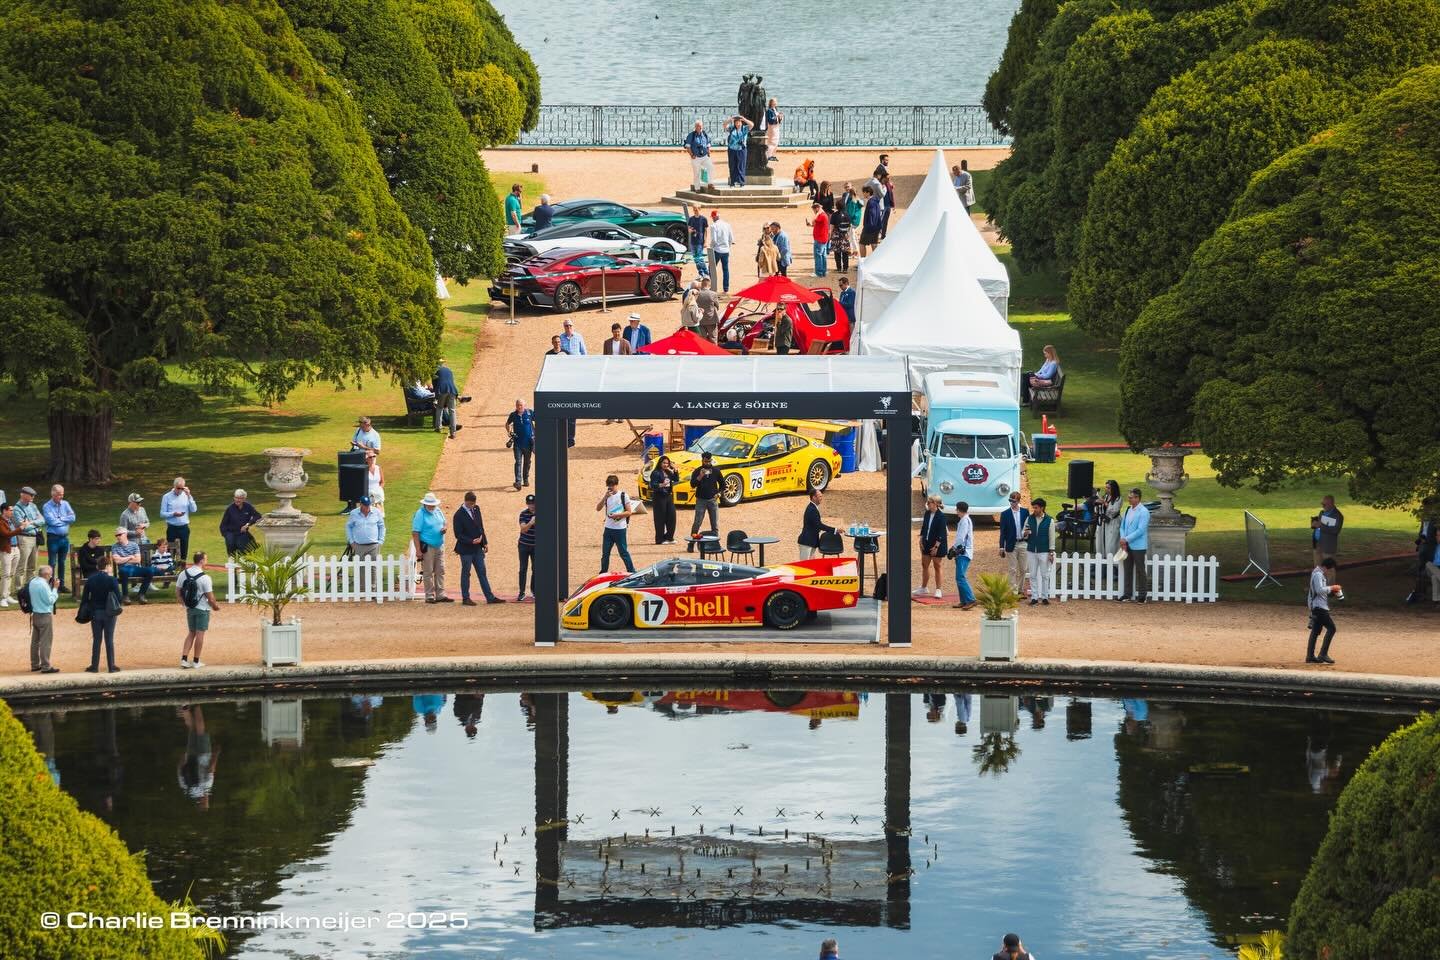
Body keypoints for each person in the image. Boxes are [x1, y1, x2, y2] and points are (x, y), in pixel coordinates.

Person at [454, 491, 504, 605]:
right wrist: (471, 541)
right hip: (466, 549)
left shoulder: (476, 509)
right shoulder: (458, 515)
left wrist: (484, 542)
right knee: (466, 573)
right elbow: (458, 535)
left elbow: (480, 526)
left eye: (473, 504)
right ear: (465, 501)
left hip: (477, 549)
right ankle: (465, 598)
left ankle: (490, 597)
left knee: (482, 572)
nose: (472, 506)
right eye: (470, 504)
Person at [81, 553, 123, 674]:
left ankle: (94, 666)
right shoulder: (112, 580)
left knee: (97, 640)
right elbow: (119, 598)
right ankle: (111, 666)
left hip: (95, 612)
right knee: (109, 640)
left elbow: (85, 599)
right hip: (109, 613)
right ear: (108, 566)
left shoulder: (91, 580)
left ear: (97, 566)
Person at [178, 552, 218, 668]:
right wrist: (215, 607)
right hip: (202, 608)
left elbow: (178, 593)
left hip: (190, 608)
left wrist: (185, 605)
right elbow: (210, 598)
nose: (206, 561)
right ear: (201, 561)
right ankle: (196, 661)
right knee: (200, 634)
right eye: (206, 559)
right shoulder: (205, 578)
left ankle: (184, 659)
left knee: (191, 633)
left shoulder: (183, 573)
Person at [177, 704, 219, 807]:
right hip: (190, 756)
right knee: (191, 729)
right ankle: (185, 709)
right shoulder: (188, 789)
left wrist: (216, 753)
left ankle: (197, 703)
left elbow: (211, 769)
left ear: (204, 801)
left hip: (204, 754)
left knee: (201, 731)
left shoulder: (206, 788)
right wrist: (183, 758)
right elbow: (180, 770)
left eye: (207, 801)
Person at [412, 492, 451, 603]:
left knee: (440, 570)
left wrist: (445, 528)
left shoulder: (438, 510)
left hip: (439, 545)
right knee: (428, 571)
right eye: (431, 505)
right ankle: (429, 595)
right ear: (425, 504)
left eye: (433, 504)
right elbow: (415, 533)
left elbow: (445, 522)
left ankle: (440, 594)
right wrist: (418, 550)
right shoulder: (420, 514)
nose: (433, 506)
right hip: (427, 546)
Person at [345, 497, 385, 595]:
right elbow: (348, 526)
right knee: (361, 567)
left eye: (368, 505)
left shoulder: (376, 512)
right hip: (359, 545)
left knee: (373, 567)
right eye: (365, 505)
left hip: (374, 544)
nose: (367, 508)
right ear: (361, 504)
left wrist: (380, 541)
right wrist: (351, 541)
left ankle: (373, 590)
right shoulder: (354, 513)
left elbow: (382, 526)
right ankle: (362, 590)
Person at [597, 474, 637, 574]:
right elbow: (598, 508)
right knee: (605, 553)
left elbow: (629, 512)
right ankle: (603, 573)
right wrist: (604, 497)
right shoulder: (607, 496)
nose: (610, 487)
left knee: (623, 552)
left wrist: (617, 515)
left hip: (620, 529)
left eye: (612, 485)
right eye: (608, 485)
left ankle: (632, 571)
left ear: (616, 484)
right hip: (608, 528)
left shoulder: (623, 495)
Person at [1116, 487, 1150, 602]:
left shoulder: (1144, 512)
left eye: (1131, 498)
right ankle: (1127, 594)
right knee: (1127, 569)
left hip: (1139, 546)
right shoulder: (1128, 509)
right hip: (1127, 544)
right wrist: (1122, 539)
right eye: (1129, 497)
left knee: (1140, 570)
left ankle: (1142, 595)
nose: (1129, 499)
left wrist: (1126, 539)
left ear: (1137, 498)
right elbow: (1122, 526)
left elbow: (1141, 530)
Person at [42, 483, 77, 591]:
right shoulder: (46, 506)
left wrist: (59, 518)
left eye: (62, 494)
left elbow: (73, 518)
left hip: (64, 538)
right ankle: (51, 584)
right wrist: (64, 520)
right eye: (59, 495)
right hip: (53, 538)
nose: (61, 497)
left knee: (62, 562)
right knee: (52, 562)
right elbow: (51, 521)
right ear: (53, 494)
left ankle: (61, 585)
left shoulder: (65, 504)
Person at [1306, 557, 1340, 664]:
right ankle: (1322, 654)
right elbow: (1320, 590)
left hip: (1317, 606)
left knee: (1315, 631)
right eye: (1329, 570)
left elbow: (1321, 591)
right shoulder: (1318, 575)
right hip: (1320, 607)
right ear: (1326, 567)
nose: (1329, 572)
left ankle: (1310, 656)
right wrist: (1332, 587)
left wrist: (1331, 592)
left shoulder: (1317, 573)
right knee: (1332, 628)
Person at [27, 565, 60, 673]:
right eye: (50, 575)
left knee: (35, 642)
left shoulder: (33, 582)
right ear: (46, 574)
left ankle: (35, 664)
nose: (51, 577)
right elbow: (50, 600)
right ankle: (46, 666)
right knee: (46, 642)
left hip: (35, 614)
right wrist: (55, 588)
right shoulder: (43, 585)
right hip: (44, 615)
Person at [688, 452, 723, 550]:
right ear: (702, 460)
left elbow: (723, 484)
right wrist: (700, 476)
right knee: (697, 523)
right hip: (701, 500)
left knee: (715, 524)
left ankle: (715, 544)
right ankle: (691, 544)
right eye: (705, 461)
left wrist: (719, 493)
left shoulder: (716, 471)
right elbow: (692, 484)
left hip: (713, 500)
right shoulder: (697, 471)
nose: (707, 463)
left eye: (709, 461)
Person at [1023, 497, 1055, 606]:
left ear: (1042, 508)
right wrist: (1025, 533)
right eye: (1033, 508)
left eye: (1036, 508)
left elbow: (1052, 537)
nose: (1034, 510)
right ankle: (1035, 597)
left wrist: (1051, 552)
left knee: (1044, 575)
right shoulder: (1029, 519)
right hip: (1031, 550)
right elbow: (1024, 532)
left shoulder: (1049, 520)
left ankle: (1045, 597)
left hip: (1044, 551)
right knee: (1032, 575)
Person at [916, 494, 947, 599]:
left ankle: (938, 589)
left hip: (937, 544)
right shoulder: (927, 513)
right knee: (924, 565)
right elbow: (924, 527)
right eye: (928, 502)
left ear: (936, 504)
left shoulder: (941, 516)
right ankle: (924, 587)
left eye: (930, 502)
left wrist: (936, 547)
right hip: (926, 542)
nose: (928, 504)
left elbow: (942, 532)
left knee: (937, 566)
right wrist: (921, 539)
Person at [998, 492, 1029, 596]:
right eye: (1010, 500)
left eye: (1014, 501)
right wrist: (1001, 547)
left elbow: (1028, 527)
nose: (1012, 503)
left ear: (1019, 501)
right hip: (1012, 544)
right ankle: (1013, 591)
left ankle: (1020, 589)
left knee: (1024, 569)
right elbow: (1002, 532)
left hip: (1023, 543)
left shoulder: (1025, 512)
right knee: (1012, 569)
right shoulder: (1005, 514)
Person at [160, 477, 197, 562]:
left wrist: (189, 496)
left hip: (184, 527)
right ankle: (170, 568)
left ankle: (183, 569)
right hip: (172, 527)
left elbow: (194, 509)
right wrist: (173, 514)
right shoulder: (167, 497)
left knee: (184, 550)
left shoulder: (186, 495)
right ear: (174, 486)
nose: (180, 490)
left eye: (182, 488)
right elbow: (162, 514)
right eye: (178, 488)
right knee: (171, 550)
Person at [111, 527, 153, 603]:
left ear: (125, 534)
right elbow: (117, 561)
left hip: (134, 568)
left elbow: (137, 560)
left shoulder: (134, 545)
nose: (118, 537)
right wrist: (130, 557)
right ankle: (125, 596)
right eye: (116, 535)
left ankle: (141, 594)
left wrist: (123, 559)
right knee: (123, 571)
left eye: (119, 534)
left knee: (149, 571)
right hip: (123, 569)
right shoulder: (115, 546)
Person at [13, 486, 43, 585]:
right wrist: (35, 523)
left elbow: (42, 520)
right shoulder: (16, 509)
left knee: (32, 565)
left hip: (35, 538)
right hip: (24, 538)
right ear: (23, 495)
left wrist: (30, 523)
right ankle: (19, 588)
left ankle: (30, 586)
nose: (33, 497)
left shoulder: (33, 506)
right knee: (22, 565)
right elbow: (23, 527)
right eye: (31, 495)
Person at [797, 487, 837, 560]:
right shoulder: (812, 509)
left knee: (810, 566)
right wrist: (835, 530)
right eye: (820, 496)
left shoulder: (813, 508)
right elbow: (819, 525)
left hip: (810, 542)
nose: (821, 498)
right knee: (804, 566)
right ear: (813, 497)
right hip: (807, 542)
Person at [219, 489, 262, 556]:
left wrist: (247, 524)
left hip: (242, 533)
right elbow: (223, 525)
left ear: (244, 499)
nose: (237, 500)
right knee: (232, 550)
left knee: (248, 548)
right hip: (231, 533)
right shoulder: (230, 509)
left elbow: (258, 516)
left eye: (239, 498)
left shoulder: (248, 506)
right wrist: (227, 536)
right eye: (236, 497)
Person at [649, 455, 679, 544]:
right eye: (664, 463)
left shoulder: (668, 472)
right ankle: (659, 539)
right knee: (660, 518)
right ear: (660, 463)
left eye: (667, 463)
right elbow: (652, 485)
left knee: (672, 517)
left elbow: (676, 479)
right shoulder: (656, 473)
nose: (666, 465)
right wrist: (661, 485)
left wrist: (675, 470)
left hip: (668, 497)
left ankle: (669, 537)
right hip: (659, 497)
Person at [506, 398, 536, 490]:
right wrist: (509, 432)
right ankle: (518, 482)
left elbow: (539, 419)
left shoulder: (530, 413)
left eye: (521, 405)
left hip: (529, 443)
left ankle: (525, 479)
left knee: (527, 462)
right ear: (516, 406)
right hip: (517, 444)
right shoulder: (513, 415)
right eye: (518, 405)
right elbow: (507, 424)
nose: (519, 407)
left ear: (524, 405)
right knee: (518, 462)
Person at [1312, 494, 1344, 573]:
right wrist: (1315, 525)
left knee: (1329, 571)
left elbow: (1335, 530)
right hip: (1318, 544)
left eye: (1324, 504)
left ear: (1331, 504)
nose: (1322, 506)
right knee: (1317, 570)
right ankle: (1319, 585)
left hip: (1328, 547)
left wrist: (1321, 526)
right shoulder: (1322, 512)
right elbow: (1319, 526)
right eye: (1322, 504)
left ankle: (1329, 585)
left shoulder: (1337, 515)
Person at [953, 501, 976, 609]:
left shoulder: (964, 521)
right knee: (959, 577)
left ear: (959, 509)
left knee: (960, 577)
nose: (956, 511)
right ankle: (963, 600)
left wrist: (953, 548)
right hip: (964, 552)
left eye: (956, 509)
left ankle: (970, 599)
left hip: (963, 552)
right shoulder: (965, 519)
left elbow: (961, 538)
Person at [72, 529, 108, 598]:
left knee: (106, 577)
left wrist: (98, 566)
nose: (99, 540)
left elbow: (102, 563)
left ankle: (105, 596)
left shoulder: (100, 550)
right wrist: (96, 566)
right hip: (88, 572)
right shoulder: (83, 550)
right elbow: (84, 565)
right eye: (97, 539)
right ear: (91, 539)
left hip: (100, 571)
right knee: (96, 577)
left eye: (99, 538)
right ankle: (96, 597)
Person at [682, 121, 714, 191]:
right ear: (695, 127)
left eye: (700, 126)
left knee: (710, 167)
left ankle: (710, 183)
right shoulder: (691, 135)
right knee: (696, 172)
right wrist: (691, 155)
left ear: (702, 126)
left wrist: (708, 152)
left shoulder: (705, 134)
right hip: (695, 157)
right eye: (697, 126)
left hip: (705, 156)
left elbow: (708, 144)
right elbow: (687, 146)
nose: (699, 127)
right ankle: (697, 188)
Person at [708, 210, 734, 294]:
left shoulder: (713, 226)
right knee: (725, 269)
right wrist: (727, 247)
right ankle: (726, 288)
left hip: (717, 250)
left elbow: (714, 240)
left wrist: (711, 247)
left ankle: (712, 287)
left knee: (711, 269)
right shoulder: (727, 225)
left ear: (714, 217)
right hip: (725, 250)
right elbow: (731, 239)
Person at [433, 360, 461, 439]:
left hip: (442, 390)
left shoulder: (436, 372)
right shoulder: (449, 370)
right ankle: (453, 432)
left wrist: (436, 396)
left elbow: (435, 386)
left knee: (439, 408)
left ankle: (438, 427)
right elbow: (451, 382)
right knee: (452, 410)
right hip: (452, 390)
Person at [724, 114, 753, 186]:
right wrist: (731, 119)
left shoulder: (745, 128)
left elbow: (752, 125)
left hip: (741, 149)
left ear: (741, 122)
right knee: (732, 166)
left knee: (741, 166)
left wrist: (744, 119)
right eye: (736, 122)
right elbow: (724, 125)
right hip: (732, 149)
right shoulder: (732, 128)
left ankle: (741, 181)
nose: (738, 124)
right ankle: (733, 181)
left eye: (739, 122)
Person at [517, 494, 537, 601]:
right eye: (529, 504)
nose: (531, 506)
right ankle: (521, 592)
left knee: (536, 569)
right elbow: (523, 529)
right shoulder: (523, 514)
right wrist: (531, 522)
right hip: (524, 545)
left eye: (533, 503)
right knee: (522, 569)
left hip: (536, 546)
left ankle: (534, 591)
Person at [1098, 479, 1123, 558]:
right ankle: (1104, 560)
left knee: (1111, 544)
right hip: (1104, 522)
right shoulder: (1105, 496)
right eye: (1106, 487)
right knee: (1102, 542)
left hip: (1113, 522)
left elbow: (1114, 510)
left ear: (1113, 489)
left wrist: (1105, 503)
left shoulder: (1118, 498)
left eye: (1109, 488)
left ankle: (1113, 563)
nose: (1107, 489)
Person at [0, 503, 18, 606]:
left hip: (15, 548)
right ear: (4, 511)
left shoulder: (11, 520)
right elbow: (7, 534)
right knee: (6, 574)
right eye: (10, 510)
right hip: (6, 550)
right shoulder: (1, 522)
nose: (12, 512)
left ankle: (7, 595)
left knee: (11, 573)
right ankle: (3, 598)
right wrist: (20, 529)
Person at [685, 205, 709, 279]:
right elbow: (689, 229)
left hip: (700, 241)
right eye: (694, 209)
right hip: (693, 242)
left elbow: (705, 231)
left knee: (700, 258)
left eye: (696, 209)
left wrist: (705, 242)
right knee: (696, 259)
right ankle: (700, 273)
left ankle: (706, 273)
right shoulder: (691, 219)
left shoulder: (704, 219)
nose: (695, 210)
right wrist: (691, 231)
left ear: (699, 209)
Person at [859, 186, 884, 257]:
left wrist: (868, 227)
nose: (863, 194)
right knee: (874, 244)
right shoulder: (875, 201)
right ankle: (875, 261)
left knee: (862, 244)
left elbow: (872, 215)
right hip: (876, 226)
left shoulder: (871, 202)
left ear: (868, 193)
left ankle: (863, 261)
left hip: (870, 227)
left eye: (864, 193)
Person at [807, 202, 830, 278]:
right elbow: (815, 224)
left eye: (814, 210)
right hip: (822, 238)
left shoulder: (821, 215)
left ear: (816, 208)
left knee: (818, 256)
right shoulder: (823, 215)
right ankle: (823, 271)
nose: (813, 212)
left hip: (820, 238)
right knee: (822, 255)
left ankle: (819, 272)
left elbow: (814, 220)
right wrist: (810, 225)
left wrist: (818, 213)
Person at [696, 277, 722, 341]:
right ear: (709, 285)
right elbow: (717, 306)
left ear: (702, 285)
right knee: (713, 339)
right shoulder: (713, 294)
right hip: (712, 320)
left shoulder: (697, 294)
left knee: (702, 340)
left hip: (701, 320)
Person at [830, 204, 853, 274]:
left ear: (837, 207)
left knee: (837, 252)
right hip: (845, 235)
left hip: (837, 235)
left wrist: (830, 235)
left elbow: (832, 226)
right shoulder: (847, 214)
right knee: (845, 252)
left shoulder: (834, 215)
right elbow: (850, 226)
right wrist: (848, 234)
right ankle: (845, 268)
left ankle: (839, 268)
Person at [879, 172, 896, 240]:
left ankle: (883, 235)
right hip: (882, 206)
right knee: (880, 221)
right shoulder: (879, 185)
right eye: (887, 178)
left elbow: (891, 194)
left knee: (885, 221)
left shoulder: (888, 184)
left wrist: (893, 205)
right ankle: (876, 235)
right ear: (883, 178)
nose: (889, 179)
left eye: (889, 178)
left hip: (888, 205)